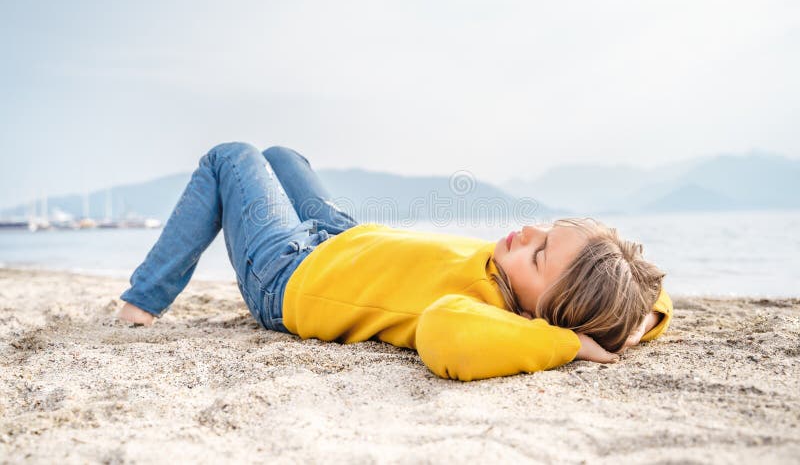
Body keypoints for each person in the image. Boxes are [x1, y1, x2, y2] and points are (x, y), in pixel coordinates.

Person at [117, 142, 672, 382]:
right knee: (283, 157)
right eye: (549, 228)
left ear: (542, 314)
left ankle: (142, 302)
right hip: (342, 238)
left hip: (286, 276)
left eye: (540, 252)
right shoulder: (538, 282)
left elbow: (445, 339)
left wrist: (570, 344)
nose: (529, 231)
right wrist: (642, 317)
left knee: (231, 158)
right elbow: (642, 290)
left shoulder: (481, 315)